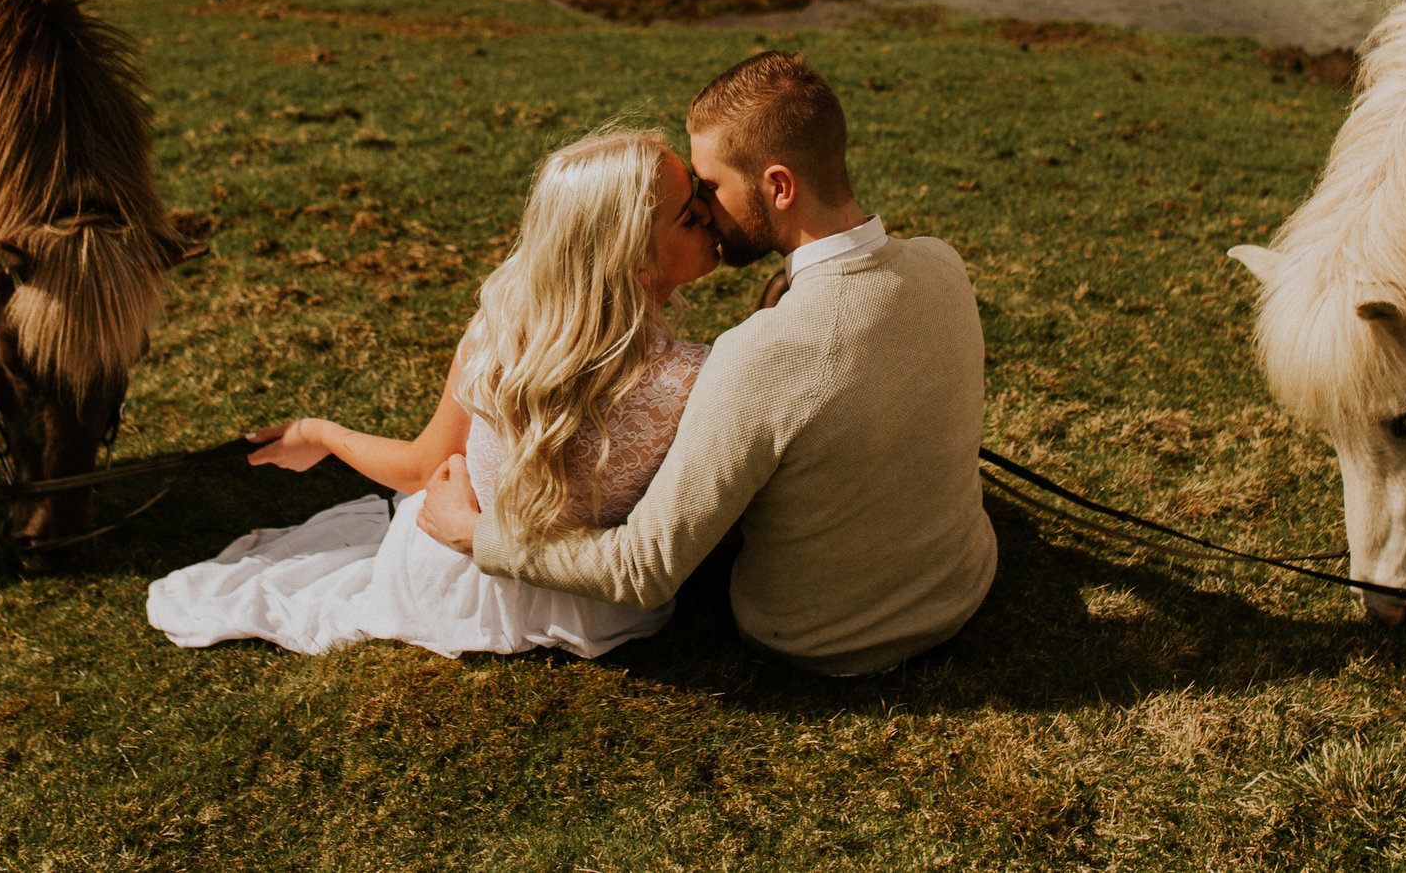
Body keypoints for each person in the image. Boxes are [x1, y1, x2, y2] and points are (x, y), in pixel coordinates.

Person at [419, 51, 997, 676]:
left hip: (822, 639)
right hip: (963, 588)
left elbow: (642, 570)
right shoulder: (942, 263)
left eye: (712, 185)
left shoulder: (757, 358)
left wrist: (473, 536)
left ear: (779, 186)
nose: (704, 207)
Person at [145, 126, 721, 659]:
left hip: (443, 581)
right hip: (591, 603)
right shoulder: (696, 378)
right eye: (690, 216)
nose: (712, 217)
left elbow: (422, 470)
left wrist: (320, 432)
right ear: (637, 264)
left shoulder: (500, 333)